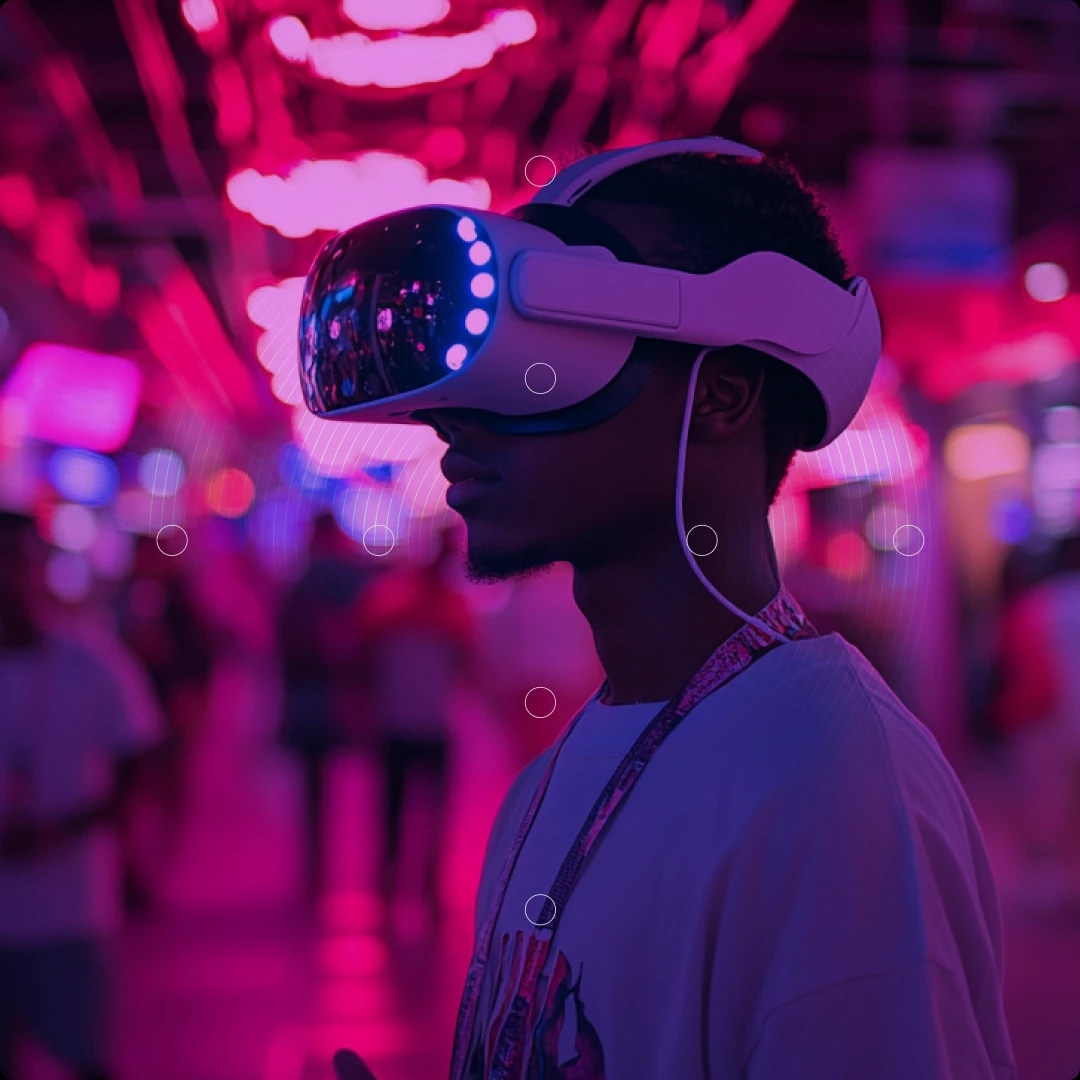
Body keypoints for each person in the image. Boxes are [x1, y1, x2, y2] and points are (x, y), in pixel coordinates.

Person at [413, 152, 1014, 1077]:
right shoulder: (543, 786)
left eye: (546, 358)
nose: (457, 420)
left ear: (723, 393)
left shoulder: (834, 782)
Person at [0, 510, 163, 1080]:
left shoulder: (89, 661)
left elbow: (138, 764)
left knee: (85, 1057)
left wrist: (65, 829)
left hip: (70, 912)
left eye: (16, 562)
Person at [353, 524, 476, 922]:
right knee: (420, 810)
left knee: (398, 810)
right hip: (422, 723)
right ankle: (416, 887)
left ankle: (401, 886)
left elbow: (365, 660)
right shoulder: (448, 608)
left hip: (408, 721)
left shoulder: (387, 601)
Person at [279, 511, 370, 900]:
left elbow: (281, 640)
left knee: (314, 788)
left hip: (308, 696)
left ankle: (316, 870)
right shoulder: (354, 577)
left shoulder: (302, 581)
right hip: (346, 694)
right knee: (375, 785)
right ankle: (373, 874)